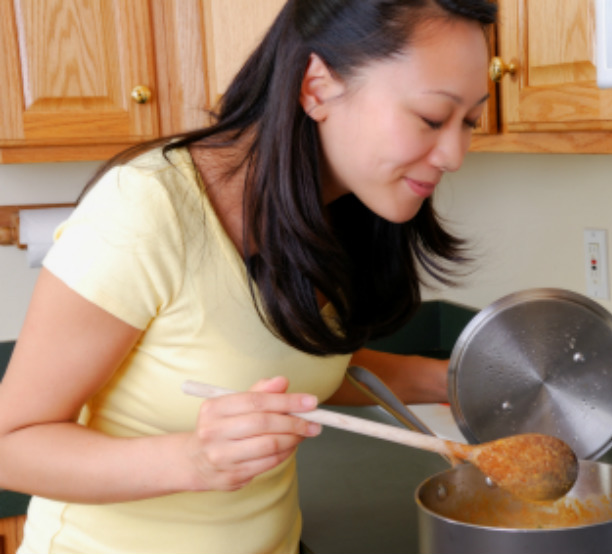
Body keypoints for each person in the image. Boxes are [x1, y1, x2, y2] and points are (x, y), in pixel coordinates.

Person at [0, 0, 495, 553]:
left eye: (470, 120)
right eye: (432, 117)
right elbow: (9, 444)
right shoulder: (146, 209)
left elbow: (293, 357)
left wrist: (456, 383)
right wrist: (194, 459)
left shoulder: (341, 210)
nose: (455, 152)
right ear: (316, 87)